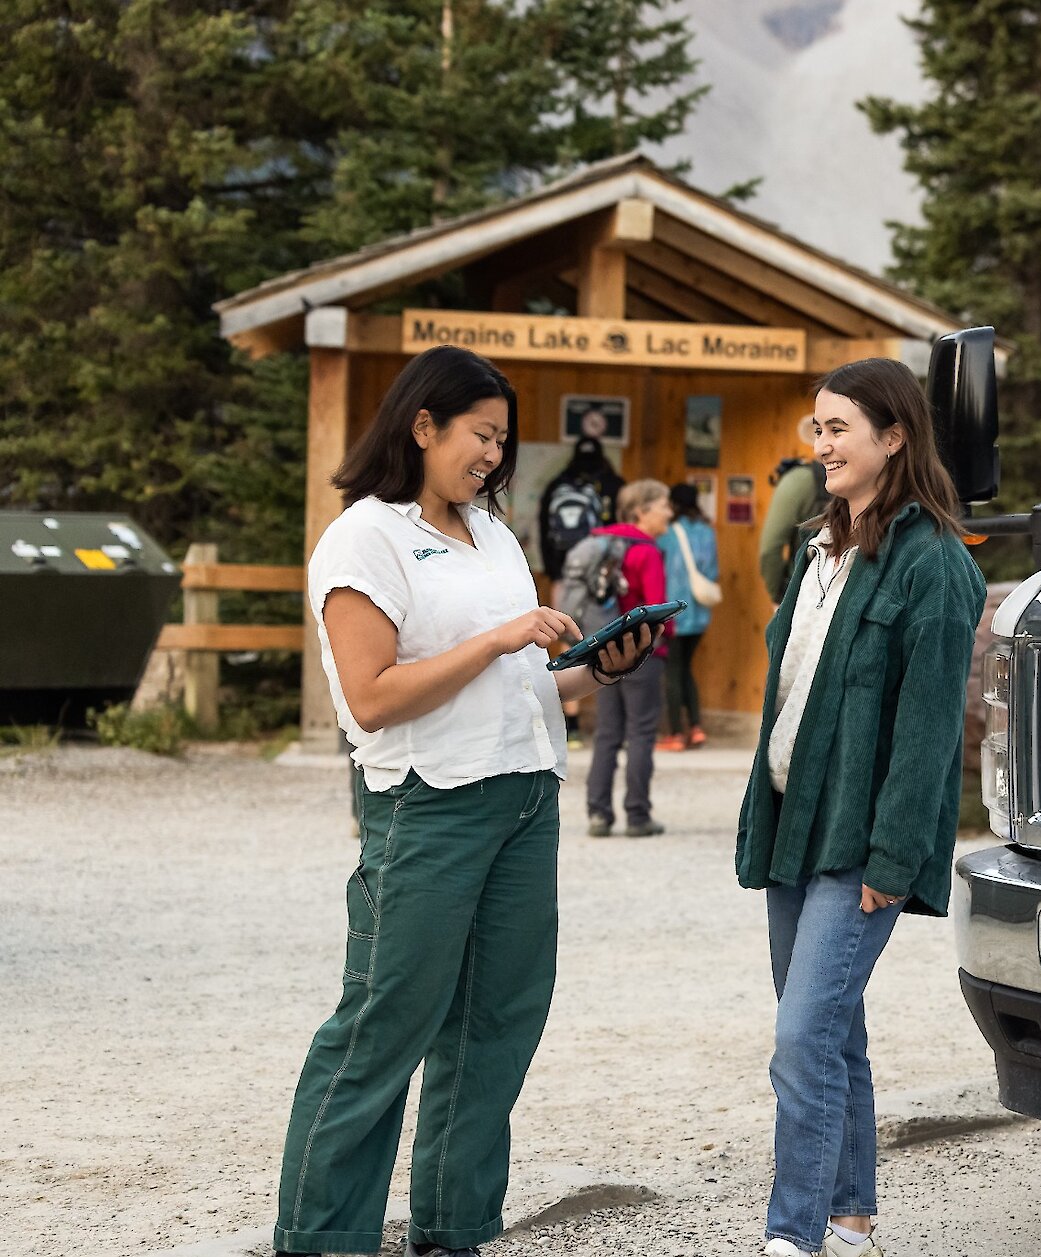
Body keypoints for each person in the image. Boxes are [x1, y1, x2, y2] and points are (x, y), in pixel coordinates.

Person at [275, 345, 659, 1257]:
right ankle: (321, 1237)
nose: (493, 454)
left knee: (498, 1022)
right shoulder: (363, 536)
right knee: (384, 1021)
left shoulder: (491, 533)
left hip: (526, 796)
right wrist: (497, 639)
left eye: (501, 439)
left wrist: (593, 677)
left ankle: (454, 1227)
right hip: (426, 805)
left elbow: (523, 680)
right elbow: (370, 695)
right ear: (422, 425)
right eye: (480, 435)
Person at [738, 359, 985, 1257]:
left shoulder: (935, 564)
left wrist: (892, 860)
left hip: (859, 845)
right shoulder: (820, 549)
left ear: (895, 437)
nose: (822, 443)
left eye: (839, 427)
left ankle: (790, 1235)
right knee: (832, 1034)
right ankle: (850, 1219)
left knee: (801, 1038)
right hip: (792, 826)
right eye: (817, 427)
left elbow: (927, 733)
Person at [585, 478, 676, 837]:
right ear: (641, 511)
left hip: (603, 651)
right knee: (640, 732)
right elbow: (656, 609)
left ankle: (598, 814)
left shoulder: (602, 544)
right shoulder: (646, 551)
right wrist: (664, 636)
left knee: (607, 733)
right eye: (663, 505)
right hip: (642, 655)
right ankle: (637, 815)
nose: (669, 511)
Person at [539, 437, 624, 748]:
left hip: (566, 578)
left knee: (566, 641)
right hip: (603, 580)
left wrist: (554, 572)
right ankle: (611, 728)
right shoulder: (613, 484)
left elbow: (545, 532)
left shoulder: (558, 485)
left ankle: (571, 726)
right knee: (614, 643)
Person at [656, 481, 718, 752]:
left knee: (673, 670)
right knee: (686, 669)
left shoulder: (666, 533)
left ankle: (676, 735)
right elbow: (712, 573)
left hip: (673, 612)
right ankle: (696, 728)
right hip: (700, 612)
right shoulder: (707, 531)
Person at [758, 443, 828, 603]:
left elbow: (769, 549)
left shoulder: (799, 480)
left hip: (801, 594)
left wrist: (778, 596)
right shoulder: (868, 478)